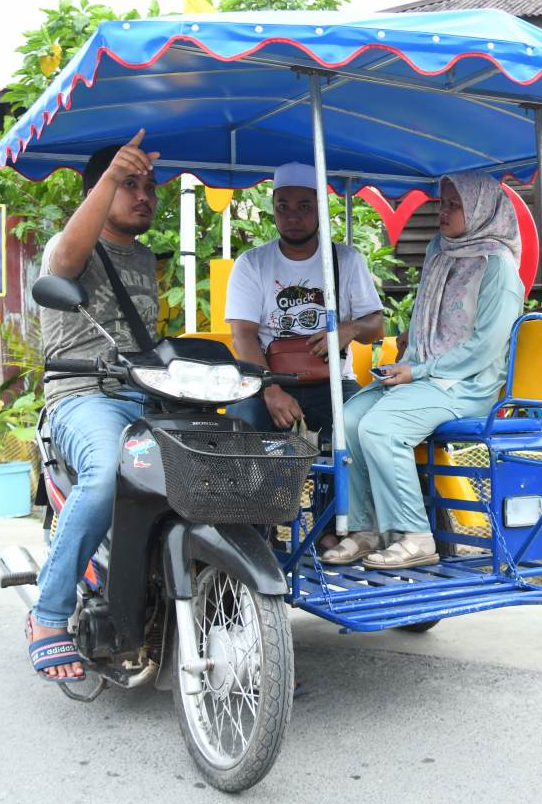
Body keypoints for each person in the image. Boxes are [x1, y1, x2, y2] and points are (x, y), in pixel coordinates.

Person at [321, 172, 522, 570]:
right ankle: (367, 530)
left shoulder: (497, 268)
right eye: (441, 202)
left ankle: (415, 535)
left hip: (468, 384)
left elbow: (484, 347)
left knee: (381, 427)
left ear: (480, 209)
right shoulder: (442, 249)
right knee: (350, 418)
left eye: (454, 204)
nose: (442, 212)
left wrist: (419, 370)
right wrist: (408, 363)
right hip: (426, 375)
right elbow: (426, 323)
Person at [27, 129, 162, 681]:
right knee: (107, 476)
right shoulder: (73, 245)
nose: (143, 195)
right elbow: (60, 268)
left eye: (148, 186)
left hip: (148, 395)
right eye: (128, 185)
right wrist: (107, 179)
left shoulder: (146, 257)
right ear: (99, 194)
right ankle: (49, 614)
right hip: (83, 396)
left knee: (219, 467)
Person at [223, 162, 384, 438]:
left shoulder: (346, 260)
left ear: (321, 208)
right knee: (242, 421)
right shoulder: (252, 264)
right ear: (273, 208)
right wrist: (270, 391)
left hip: (334, 383)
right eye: (283, 207)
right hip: (269, 379)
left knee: (368, 426)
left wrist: (350, 329)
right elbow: (243, 337)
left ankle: (345, 484)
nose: (293, 217)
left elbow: (376, 328)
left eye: (305, 207)